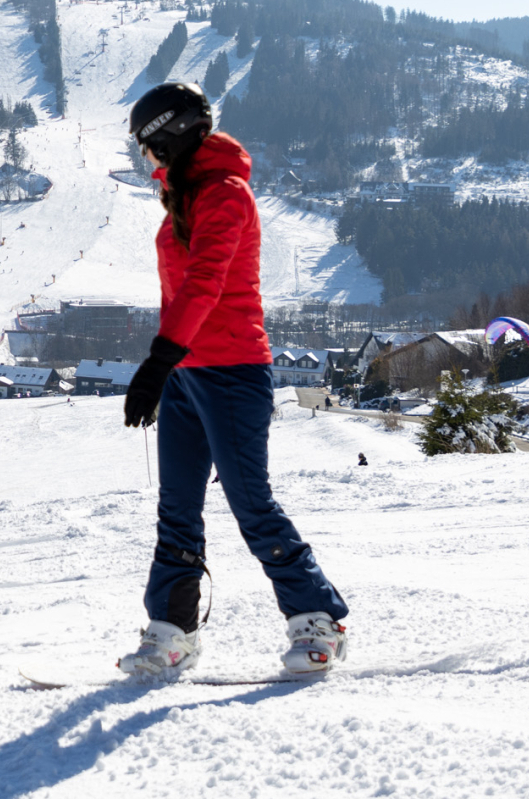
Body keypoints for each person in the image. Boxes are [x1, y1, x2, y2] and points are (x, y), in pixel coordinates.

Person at [117, 82, 348, 679]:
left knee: (251, 504)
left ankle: (317, 618)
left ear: (170, 135)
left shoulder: (224, 195)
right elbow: (178, 295)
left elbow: (207, 285)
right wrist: (168, 369)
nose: (146, 161)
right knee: (177, 511)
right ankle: (173, 632)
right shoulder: (183, 198)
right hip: (188, 377)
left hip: (232, 370)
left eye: (148, 148)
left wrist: (157, 360)